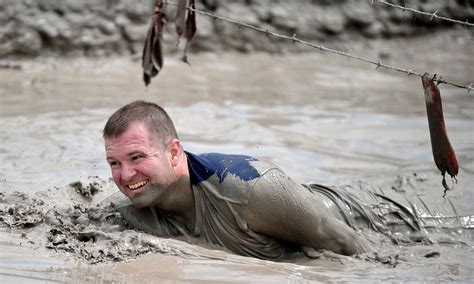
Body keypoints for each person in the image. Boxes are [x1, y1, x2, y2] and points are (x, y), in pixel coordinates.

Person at [103, 100, 472, 260]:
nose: (125, 176)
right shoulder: (135, 210)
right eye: (114, 163)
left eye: (137, 157)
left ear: (173, 152)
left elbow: (357, 250)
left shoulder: (250, 190)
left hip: (397, 219)